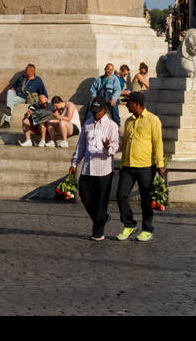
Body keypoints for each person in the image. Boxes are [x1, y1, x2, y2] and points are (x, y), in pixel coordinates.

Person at [115, 92, 165, 242]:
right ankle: (129, 224)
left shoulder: (153, 120)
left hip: (145, 166)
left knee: (146, 199)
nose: (126, 105)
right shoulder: (128, 121)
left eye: (128, 102)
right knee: (121, 195)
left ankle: (147, 228)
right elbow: (125, 145)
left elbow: (158, 143)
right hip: (128, 166)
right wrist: (123, 163)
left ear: (136, 103)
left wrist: (160, 164)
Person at [68, 99, 121, 240]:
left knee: (101, 201)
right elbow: (81, 146)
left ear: (105, 109)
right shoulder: (87, 124)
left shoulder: (112, 126)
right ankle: (102, 218)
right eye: (93, 111)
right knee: (84, 196)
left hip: (103, 169)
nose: (95, 114)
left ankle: (98, 232)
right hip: (87, 168)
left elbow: (116, 148)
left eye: (98, 111)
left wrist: (107, 146)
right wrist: (74, 163)